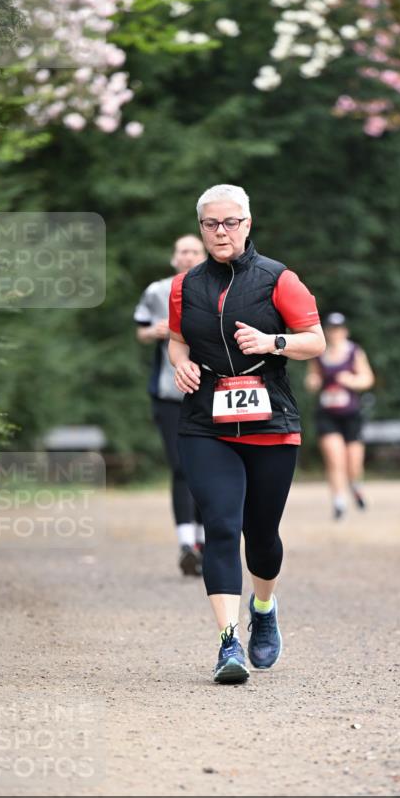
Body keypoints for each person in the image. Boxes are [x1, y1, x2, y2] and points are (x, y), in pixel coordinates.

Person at [168, 184, 325, 683]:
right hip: (205, 423)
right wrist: (182, 364)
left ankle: (264, 606)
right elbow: (176, 339)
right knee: (219, 525)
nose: (221, 231)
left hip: (270, 418)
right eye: (211, 224)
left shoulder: (279, 279)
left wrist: (273, 341)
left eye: (230, 222)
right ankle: (228, 644)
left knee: (261, 537)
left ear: (247, 224)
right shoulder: (184, 286)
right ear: (201, 228)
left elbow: (315, 342)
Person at [134, 235, 206, 576]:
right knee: (181, 467)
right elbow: (141, 331)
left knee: (208, 468)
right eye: (182, 251)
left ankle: (205, 542)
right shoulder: (157, 291)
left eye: (194, 251)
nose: (188, 256)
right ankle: (186, 544)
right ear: (173, 257)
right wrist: (157, 332)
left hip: (210, 393)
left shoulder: (219, 286)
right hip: (168, 392)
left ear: (203, 255)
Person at [305, 312, 375, 519]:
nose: (335, 333)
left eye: (338, 329)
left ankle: (355, 486)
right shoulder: (319, 353)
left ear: (345, 331)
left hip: (351, 414)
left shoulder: (354, 351)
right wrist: (313, 383)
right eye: (331, 329)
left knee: (353, 463)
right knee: (335, 460)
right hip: (327, 414)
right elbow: (312, 377)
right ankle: (339, 502)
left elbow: (367, 379)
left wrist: (351, 380)